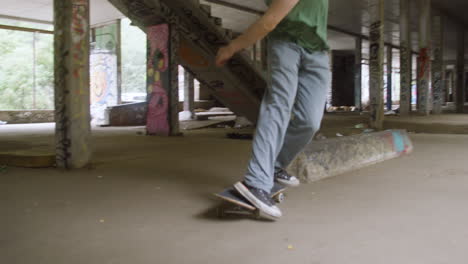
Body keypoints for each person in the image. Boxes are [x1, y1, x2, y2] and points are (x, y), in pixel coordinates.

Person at [215, 0, 330, 220]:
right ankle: (256, 181)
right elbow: (269, 21)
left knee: (310, 121)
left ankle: (275, 165)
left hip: (318, 52)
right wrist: (231, 48)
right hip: (286, 44)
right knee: (278, 106)